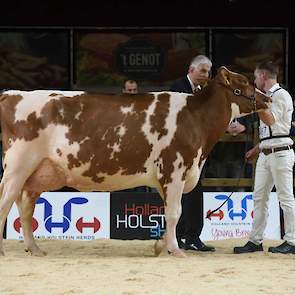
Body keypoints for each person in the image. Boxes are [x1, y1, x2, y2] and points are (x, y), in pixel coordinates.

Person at [234, 61, 295, 254]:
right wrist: (256, 149)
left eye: (255, 77)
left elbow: (272, 121)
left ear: (263, 77)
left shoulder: (281, 95)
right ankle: (255, 240)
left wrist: (256, 103)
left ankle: (292, 241)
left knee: (285, 198)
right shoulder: (267, 96)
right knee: (259, 198)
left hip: (281, 153)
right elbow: (270, 132)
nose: (254, 80)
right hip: (267, 151)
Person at [170, 55, 215, 252]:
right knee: (178, 193)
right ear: (191, 70)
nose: (206, 75)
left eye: (208, 72)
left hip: (199, 150)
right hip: (178, 150)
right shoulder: (177, 87)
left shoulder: (207, 91)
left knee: (196, 192)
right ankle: (177, 236)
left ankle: (194, 237)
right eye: (203, 71)